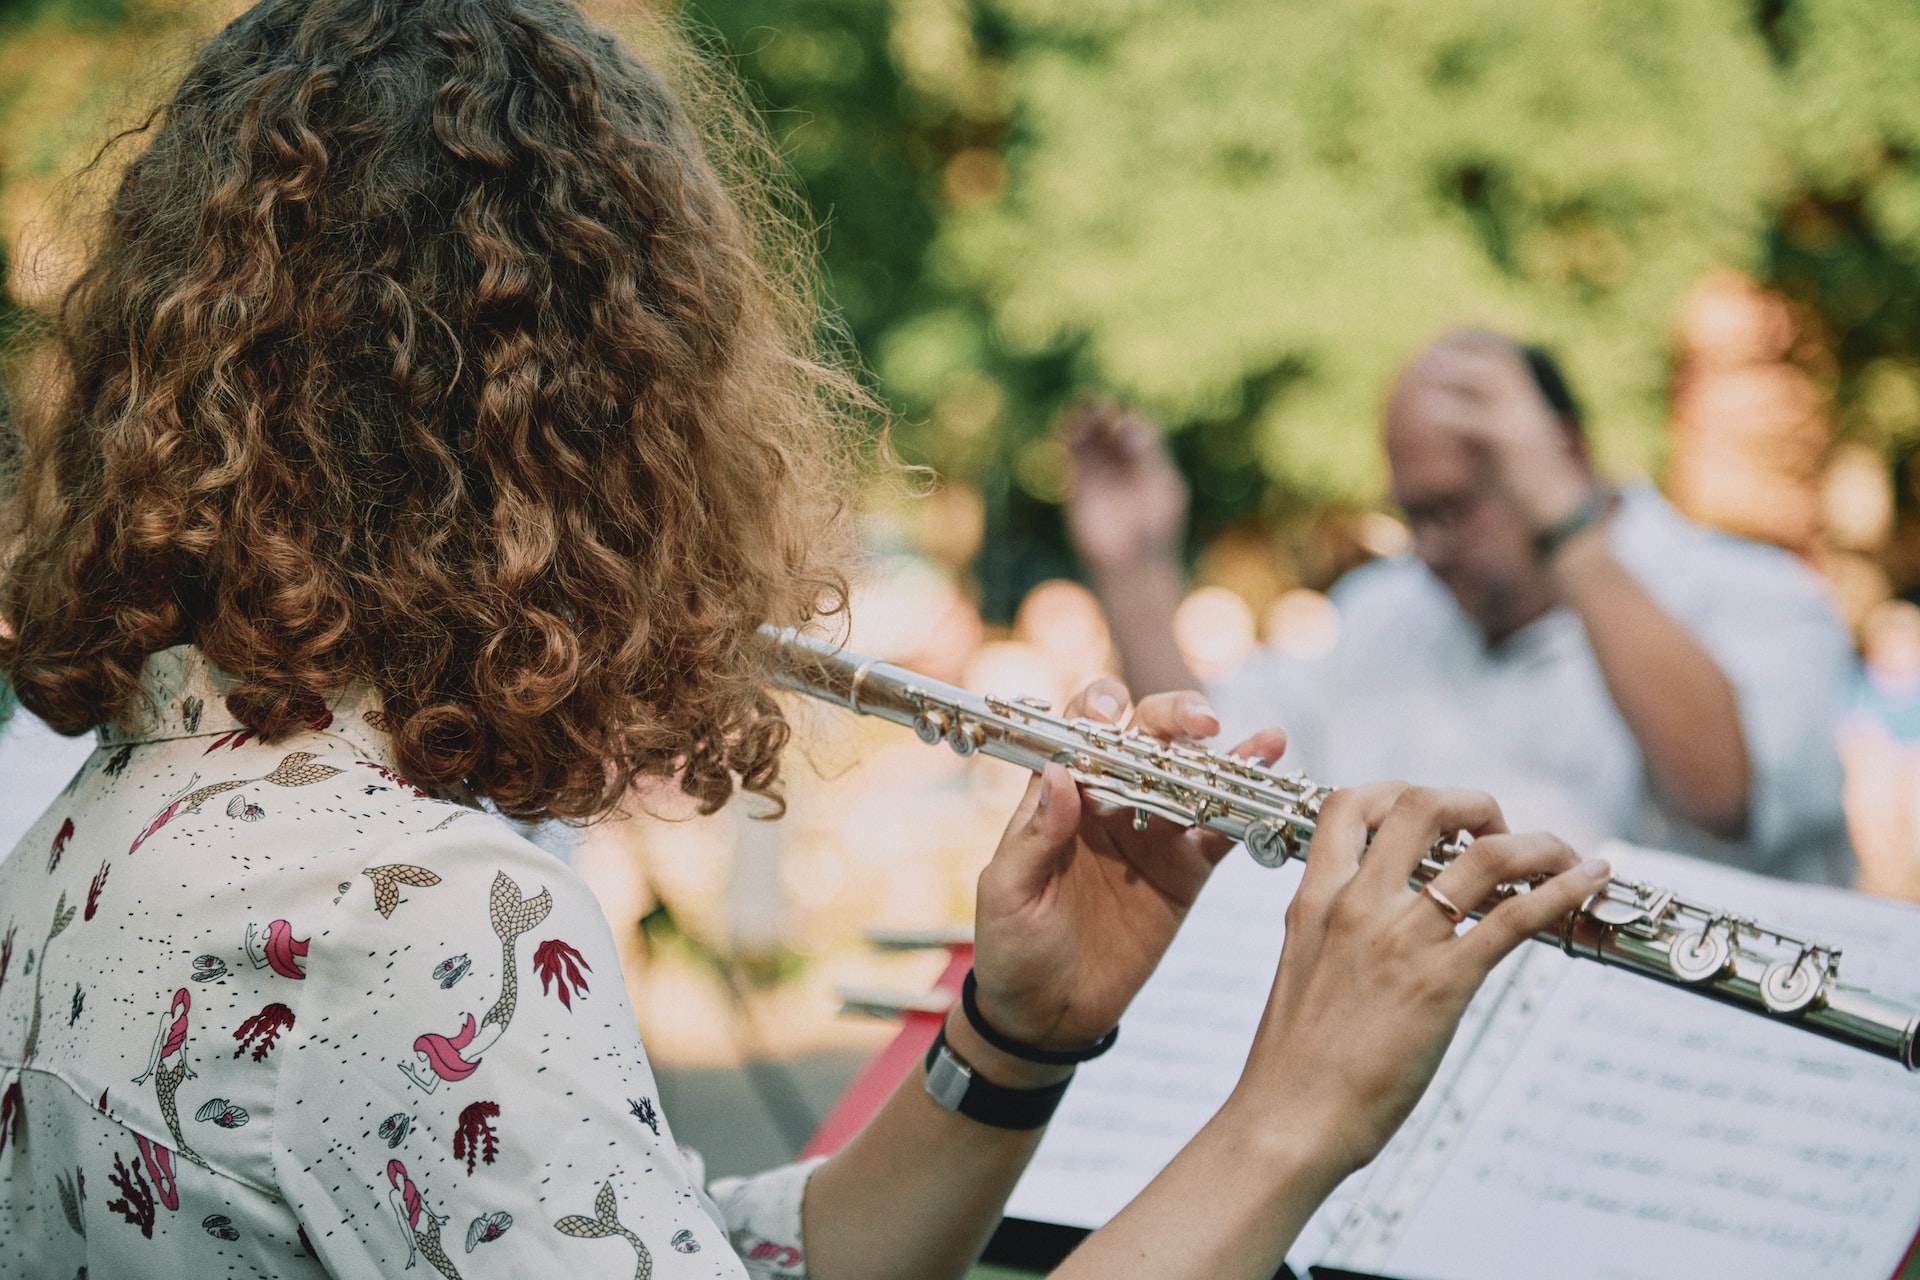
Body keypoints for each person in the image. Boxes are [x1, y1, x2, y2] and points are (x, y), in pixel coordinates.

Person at [0, 5, 1608, 1279]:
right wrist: (1295, 1115)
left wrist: (1016, 1037)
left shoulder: (111, 817)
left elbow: (650, 1238)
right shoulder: (411, 917)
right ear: (592, 422)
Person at [1067, 332, 1855, 884]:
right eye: (1416, 515)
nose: (1432, 546)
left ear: (1566, 456)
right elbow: (1216, 771)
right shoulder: (1385, 611)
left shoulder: (1757, 593)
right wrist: (1134, 571)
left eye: (1458, 508)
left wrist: (1565, 524)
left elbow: (1726, 799)